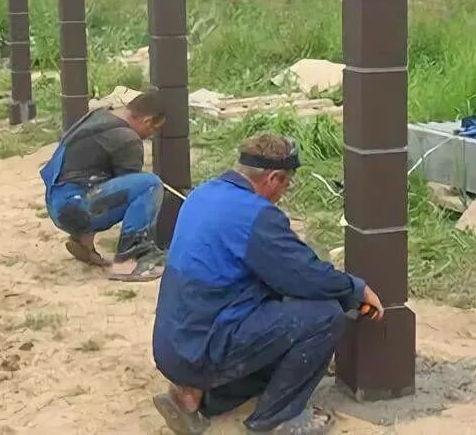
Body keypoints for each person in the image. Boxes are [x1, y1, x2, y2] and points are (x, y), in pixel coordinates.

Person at [152, 134, 384, 435]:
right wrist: (355, 289)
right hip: (203, 346)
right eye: (286, 184)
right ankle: (276, 419)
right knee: (324, 316)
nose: (283, 194)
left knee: (273, 310)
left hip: (173, 345)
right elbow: (304, 275)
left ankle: (192, 396)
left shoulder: (203, 193)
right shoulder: (254, 215)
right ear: (274, 178)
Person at [40, 90, 168, 282]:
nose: (151, 134)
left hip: (56, 201)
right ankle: (132, 260)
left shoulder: (99, 117)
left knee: (97, 182)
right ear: (147, 121)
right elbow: (128, 191)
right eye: (154, 128)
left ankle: (83, 242)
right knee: (148, 185)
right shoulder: (127, 139)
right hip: (74, 207)